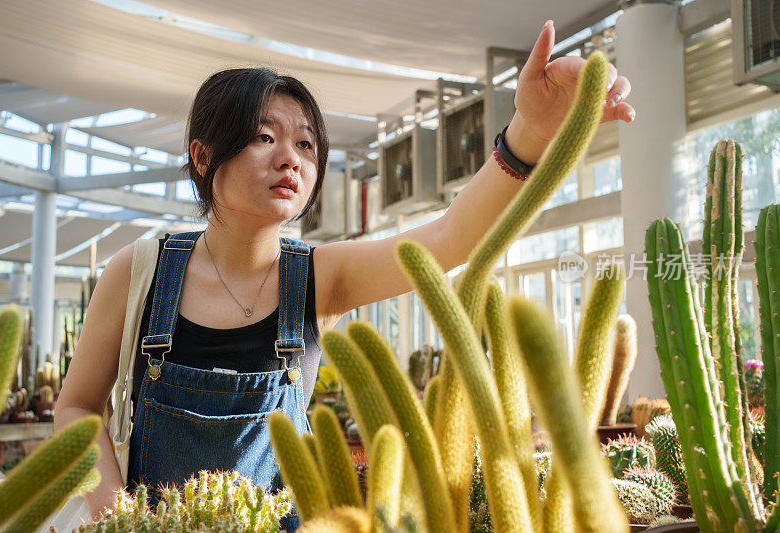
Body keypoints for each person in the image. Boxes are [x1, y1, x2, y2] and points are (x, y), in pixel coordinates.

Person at [55, 19, 634, 528]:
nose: (291, 159)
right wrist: (119, 518)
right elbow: (77, 407)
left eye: (306, 144)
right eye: (264, 137)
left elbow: (449, 238)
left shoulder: (318, 276)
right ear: (204, 157)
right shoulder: (142, 269)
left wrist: (532, 131)